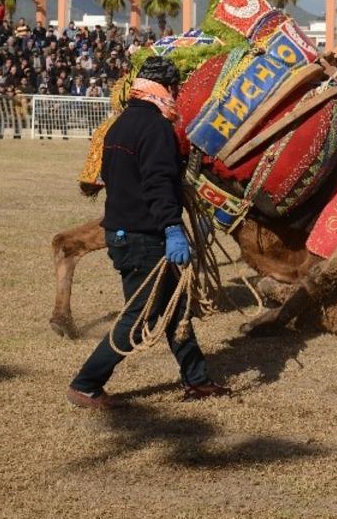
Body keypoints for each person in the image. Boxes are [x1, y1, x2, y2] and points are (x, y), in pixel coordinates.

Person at [67, 56, 229, 409]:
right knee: (140, 318)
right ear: (168, 88)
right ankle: (86, 384)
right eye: (177, 89)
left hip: (125, 232)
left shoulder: (120, 125)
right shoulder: (155, 128)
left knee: (176, 309)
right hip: (145, 236)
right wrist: (172, 227)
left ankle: (197, 380)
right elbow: (157, 182)